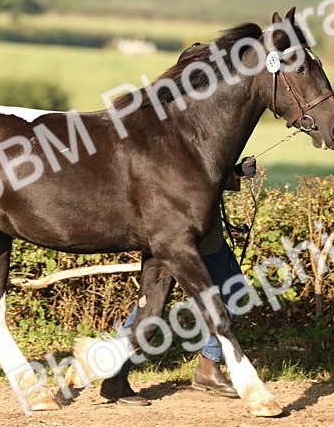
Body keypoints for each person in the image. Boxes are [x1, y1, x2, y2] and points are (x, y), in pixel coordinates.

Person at [100, 156, 257, 406]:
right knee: (154, 305)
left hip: (191, 234)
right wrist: (233, 174)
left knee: (155, 304)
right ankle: (116, 375)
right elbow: (185, 178)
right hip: (184, 237)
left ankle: (207, 367)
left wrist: (233, 173)